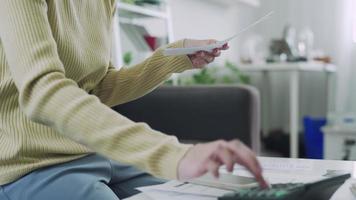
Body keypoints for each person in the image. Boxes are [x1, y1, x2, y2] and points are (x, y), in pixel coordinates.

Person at [0, 1, 267, 199]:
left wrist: (173, 57)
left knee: (205, 190)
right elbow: (42, 91)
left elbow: (99, 87)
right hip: (30, 162)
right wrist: (174, 154)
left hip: (92, 150)